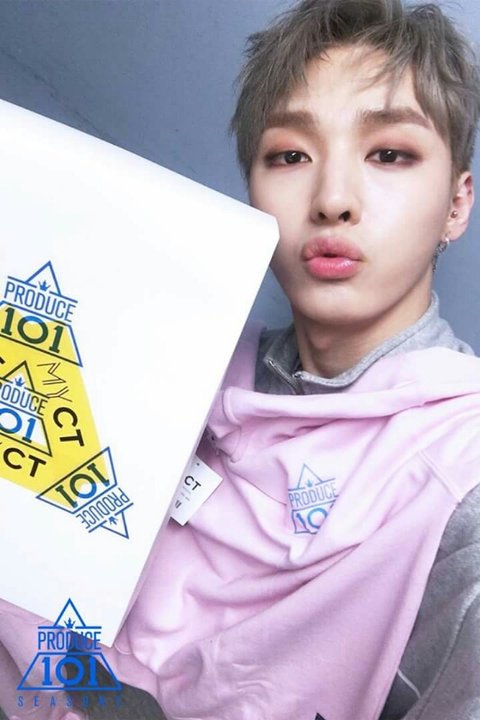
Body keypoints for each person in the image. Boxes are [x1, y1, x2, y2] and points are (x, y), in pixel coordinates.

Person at [1, 1, 480, 719]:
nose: (333, 199)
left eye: (389, 154)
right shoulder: (166, 361)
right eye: (290, 155)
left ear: (456, 203)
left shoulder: (460, 474)